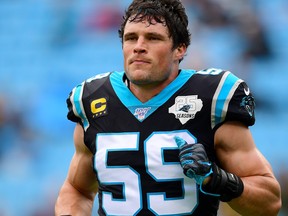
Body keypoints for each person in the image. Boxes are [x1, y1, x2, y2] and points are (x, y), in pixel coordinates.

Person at [55, 0, 281, 215]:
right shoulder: (93, 99)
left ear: (180, 49)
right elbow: (77, 190)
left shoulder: (211, 98)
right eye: (131, 38)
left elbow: (269, 203)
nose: (139, 47)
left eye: (153, 38)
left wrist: (216, 179)